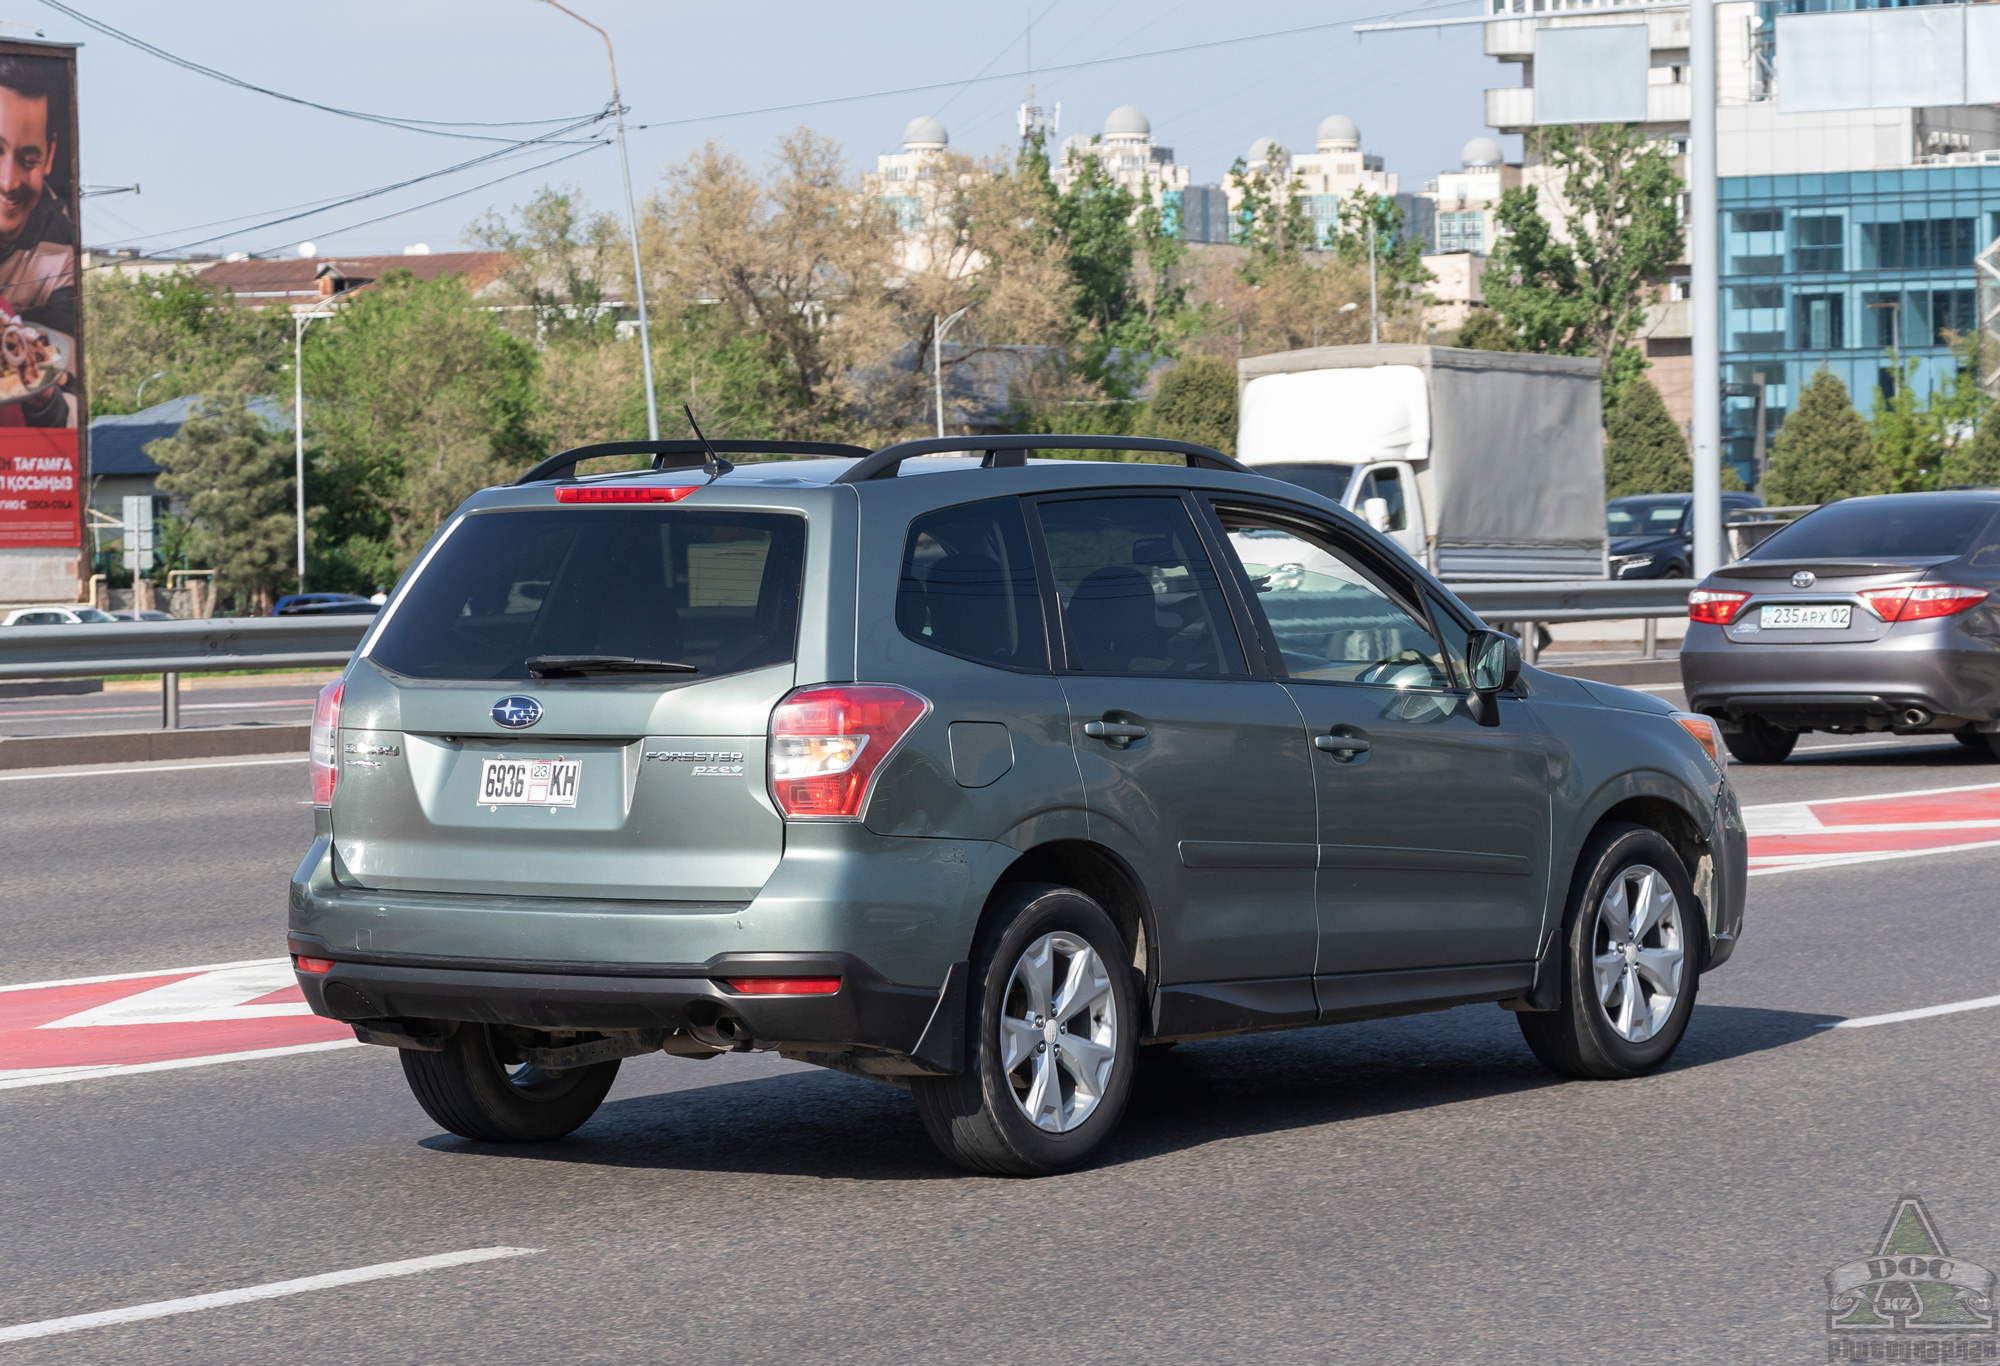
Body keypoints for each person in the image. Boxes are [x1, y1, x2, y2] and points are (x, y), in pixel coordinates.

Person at [0, 54, 74, 428]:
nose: (8, 181)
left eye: (28, 160)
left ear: (50, 156)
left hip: (21, 469)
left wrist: (42, 394)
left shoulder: (60, 253)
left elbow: (65, 410)